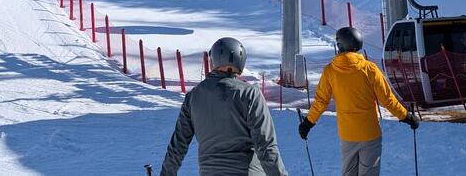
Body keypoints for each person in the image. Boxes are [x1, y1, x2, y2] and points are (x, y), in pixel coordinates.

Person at [298, 27, 419, 176]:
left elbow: (321, 101)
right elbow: (387, 100)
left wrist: (308, 123)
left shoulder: (330, 71)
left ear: (340, 45)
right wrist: (406, 116)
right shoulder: (370, 69)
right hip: (370, 133)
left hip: (347, 134)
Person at [160, 37, 287, 176]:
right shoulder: (250, 94)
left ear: (213, 60)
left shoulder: (193, 97)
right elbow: (266, 147)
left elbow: (177, 147)